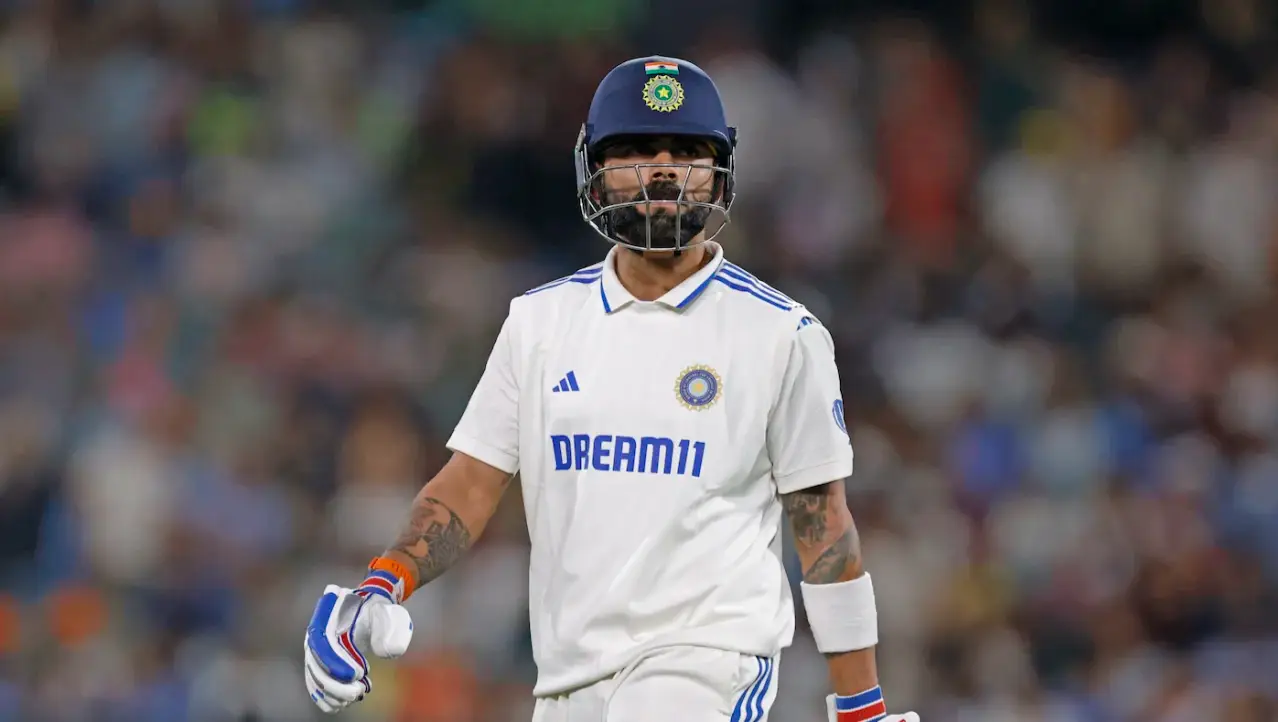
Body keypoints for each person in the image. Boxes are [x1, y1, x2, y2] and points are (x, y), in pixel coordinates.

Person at [303, 55, 920, 722]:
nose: (663, 170)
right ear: (593, 167)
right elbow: (471, 484)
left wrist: (862, 705)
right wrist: (383, 584)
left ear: (720, 172)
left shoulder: (780, 334)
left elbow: (823, 528)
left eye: (686, 152)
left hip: (707, 668)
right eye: (635, 151)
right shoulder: (539, 324)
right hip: (567, 681)